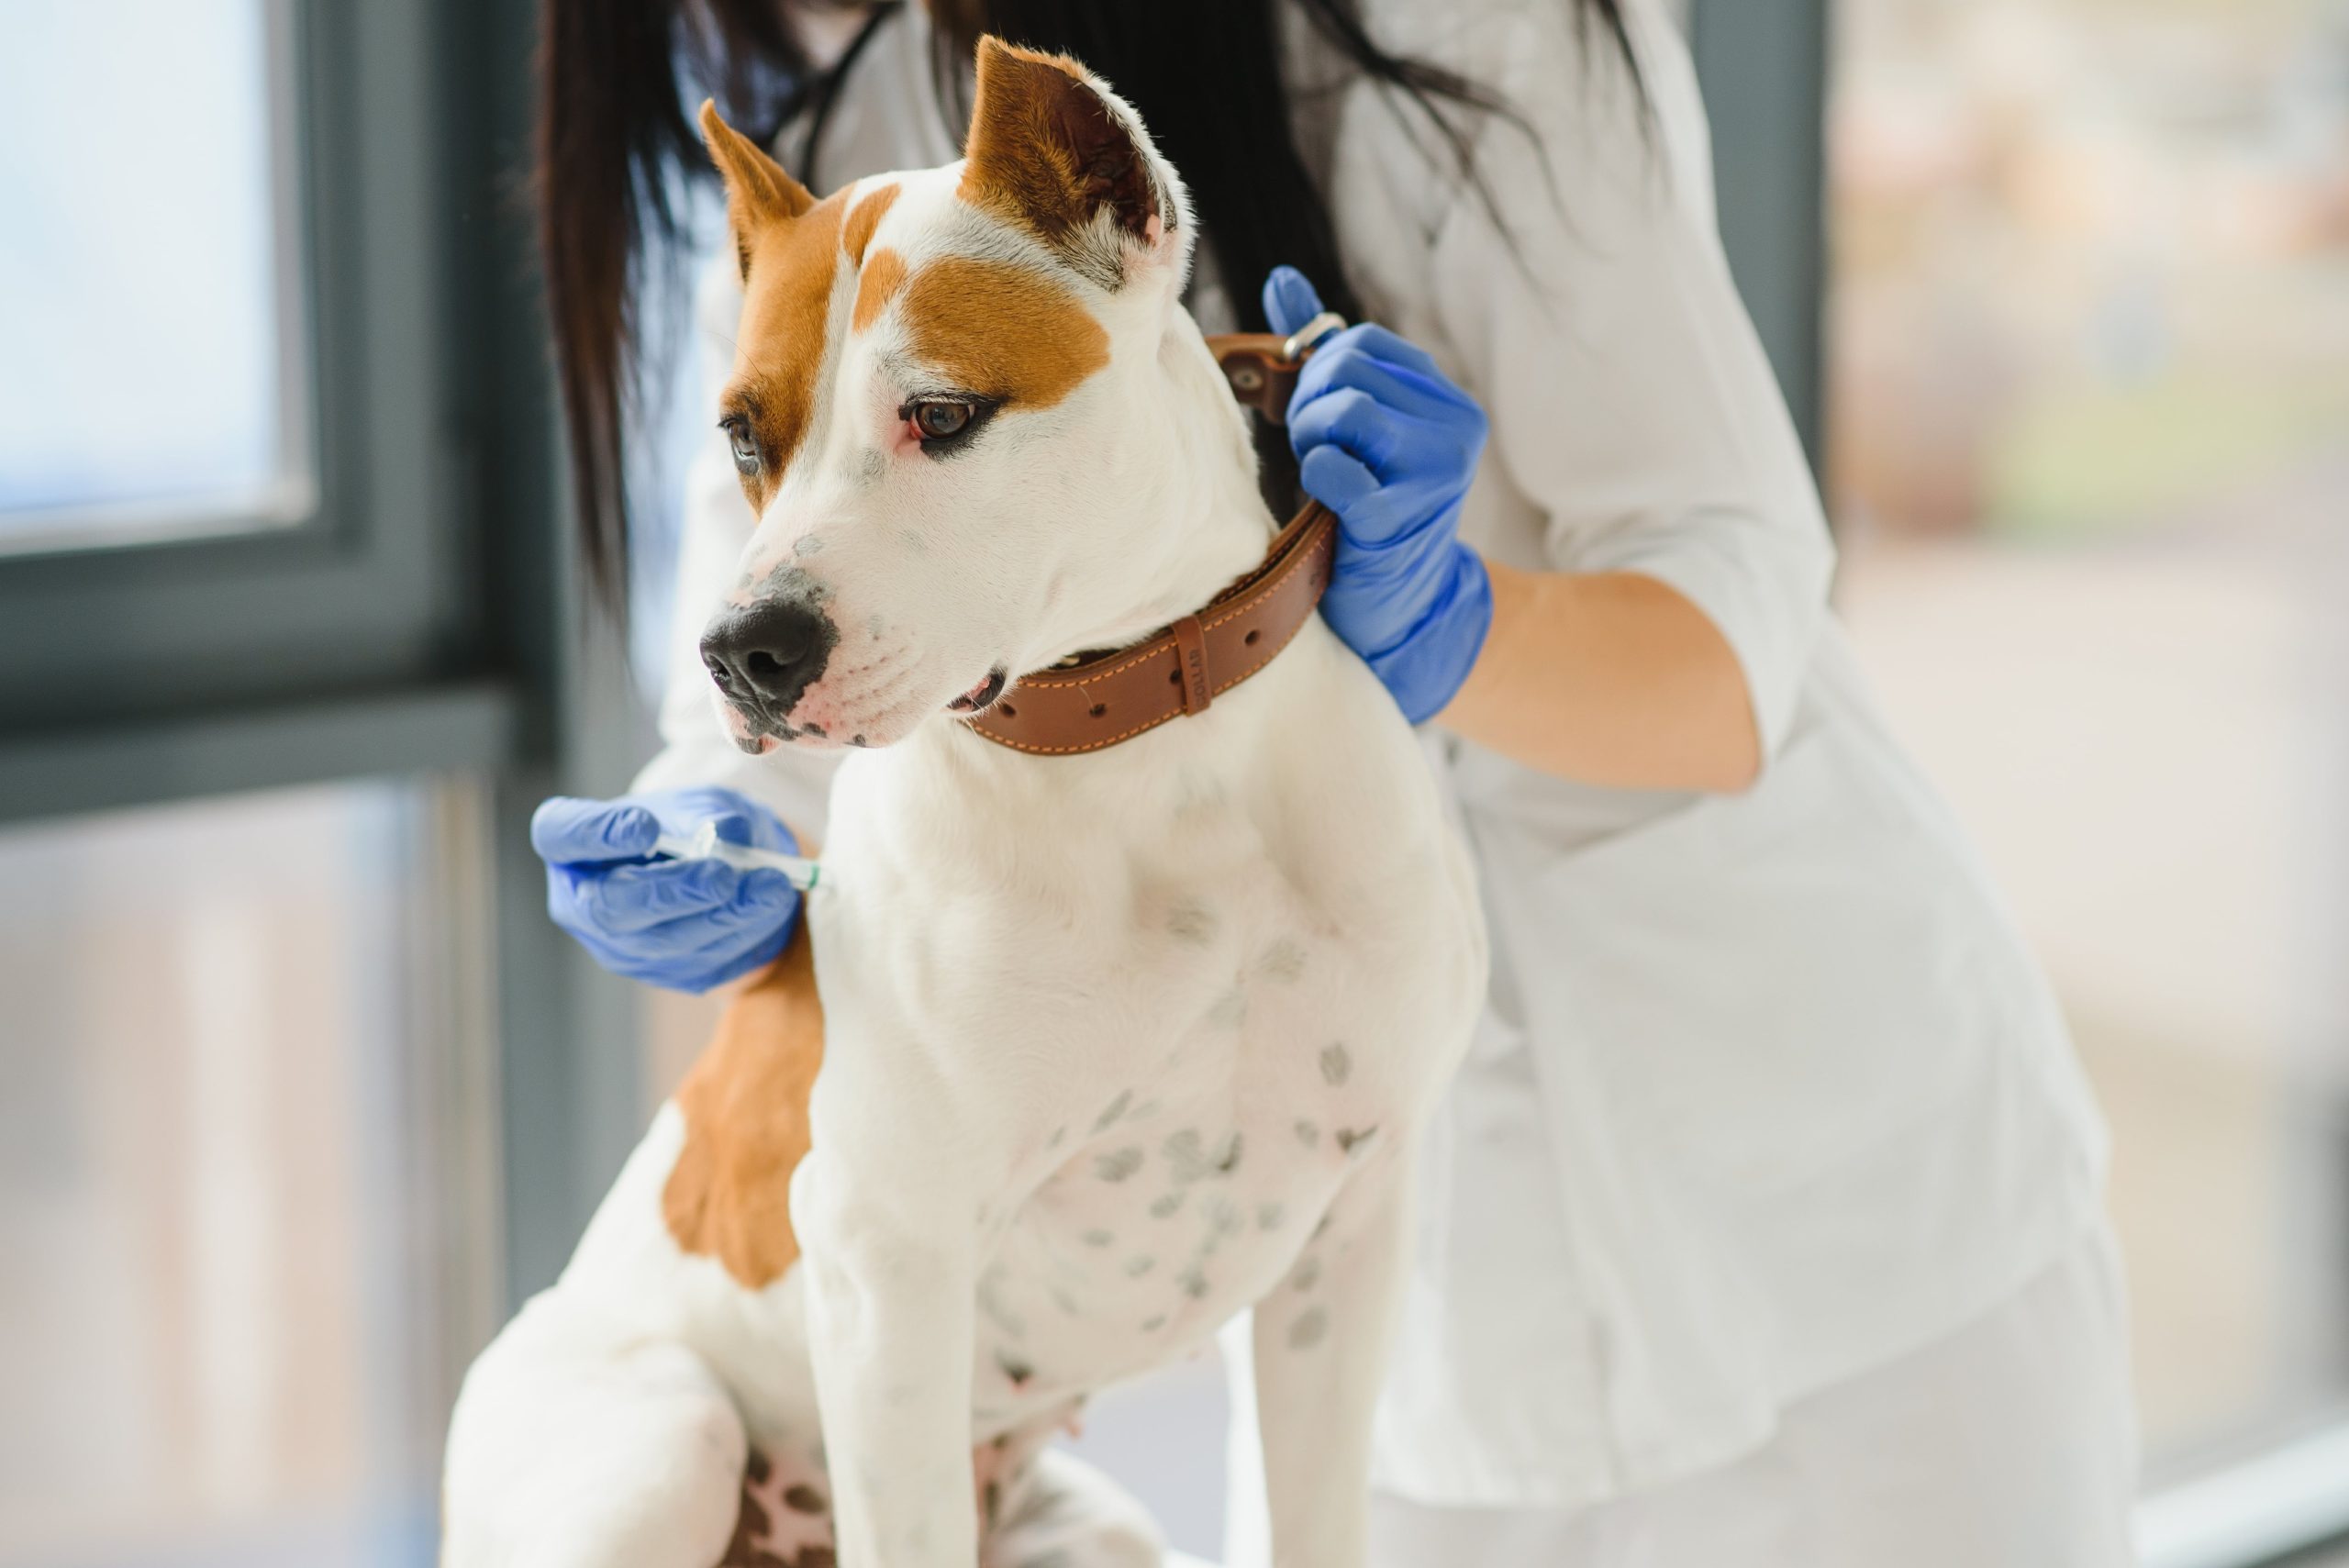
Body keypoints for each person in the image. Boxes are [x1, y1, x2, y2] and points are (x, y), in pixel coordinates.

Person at [529, 2, 2138, 1562]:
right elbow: (790, 645)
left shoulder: (1458, 31)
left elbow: (1734, 635)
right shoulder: (833, 147)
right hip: (1420, 1364)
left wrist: (1453, 620)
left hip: (1848, 1244)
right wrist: (712, 827)